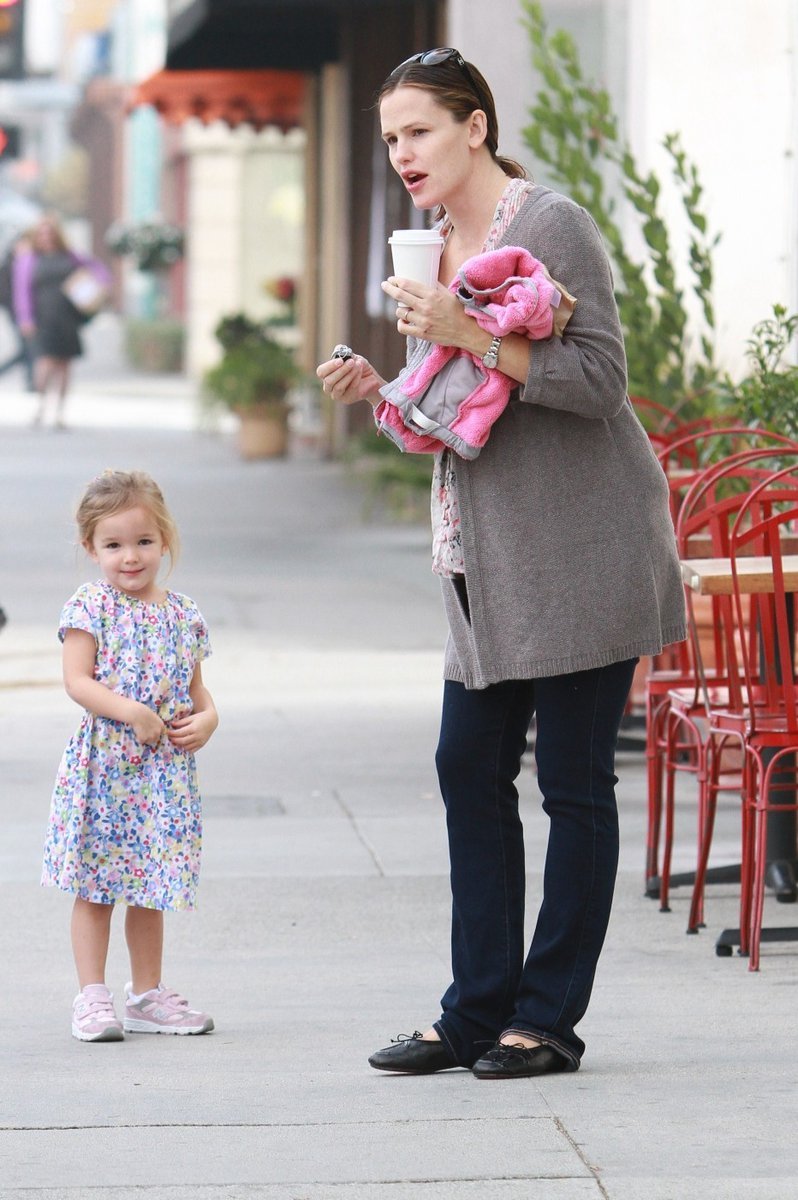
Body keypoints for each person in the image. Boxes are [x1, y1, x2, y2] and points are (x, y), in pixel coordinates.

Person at [317, 49, 686, 1079]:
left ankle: (546, 1019)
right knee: (467, 767)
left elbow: (602, 379)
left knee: (572, 784)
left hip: (580, 547)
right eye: (391, 139)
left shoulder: (550, 224)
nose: (403, 155)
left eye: (419, 132)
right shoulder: (434, 244)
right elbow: (458, 404)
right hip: (484, 558)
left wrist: (467, 329)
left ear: (475, 125)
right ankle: (476, 1010)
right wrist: (382, 388)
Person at [41, 470, 219, 1042]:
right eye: (113, 545)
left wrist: (208, 719)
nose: (130, 557)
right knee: (96, 886)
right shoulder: (90, 606)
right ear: (90, 548)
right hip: (105, 769)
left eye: (143, 541)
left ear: (164, 539)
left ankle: (146, 994)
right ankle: (91, 996)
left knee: (151, 885)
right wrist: (132, 712)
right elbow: (76, 681)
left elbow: (198, 693)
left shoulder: (183, 614)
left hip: (162, 773)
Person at [12, 214, 110, 428]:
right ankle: (40, 405)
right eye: (42, 234)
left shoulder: (71, 255)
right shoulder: (29, 259)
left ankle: (59, 413)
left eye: (50, 233)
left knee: (64, 364)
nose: (46, 238)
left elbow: (98, 269)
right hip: (43, 316)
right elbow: (22, 291)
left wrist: (100, 287)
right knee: (44, 362)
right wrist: (25, 318)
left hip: (67, 315)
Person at [0, 233, 35, 390]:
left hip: (28, 313)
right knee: (26, 349)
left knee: (28, 349)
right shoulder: (8, 266)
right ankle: (30, 382)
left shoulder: (29, 263)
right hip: (16, 314)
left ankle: (31, 382)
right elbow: (5, 292)